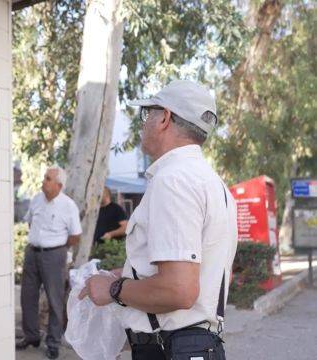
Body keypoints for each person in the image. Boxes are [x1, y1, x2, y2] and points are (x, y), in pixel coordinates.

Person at [79, 80, 238, 359]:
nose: (143, 123)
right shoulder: (214, 184)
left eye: (146, 113)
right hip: (196, 346)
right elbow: (206, 272)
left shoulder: (173, 180)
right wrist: (128, 274)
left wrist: (113, 289)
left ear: (164, 117)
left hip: (170, 348)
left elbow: (179, 290)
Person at [16, 165, 82, 359]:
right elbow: (30, 222)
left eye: (47, 179)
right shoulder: (36, 199)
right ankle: (31, 336)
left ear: (59, 185)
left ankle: (53, 342)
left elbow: (75, 236)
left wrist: (59, 249)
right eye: (44, 178)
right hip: (32, 253)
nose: (43, 181)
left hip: (54, 256)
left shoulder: (68, 206)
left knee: (54, 300)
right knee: (27, 297)